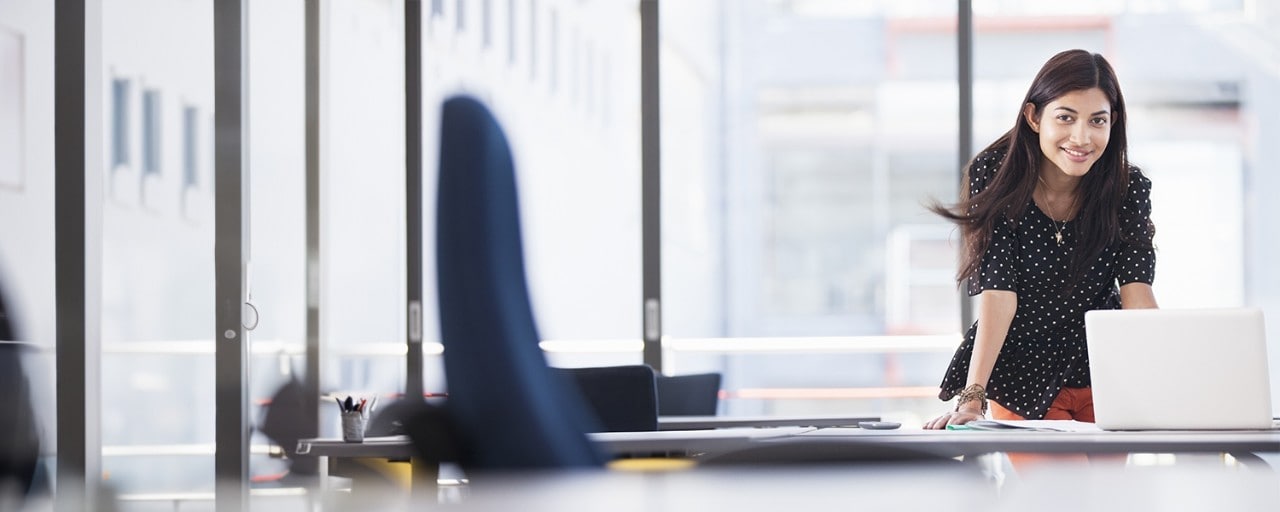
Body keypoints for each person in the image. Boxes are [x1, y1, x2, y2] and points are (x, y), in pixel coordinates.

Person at [924, 49, 1157, 430]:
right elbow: (998, 296)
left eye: (1097, 121)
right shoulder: (997, 174)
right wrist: (973, 398)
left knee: (1108, 491)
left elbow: (1137, 294)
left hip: (1106, 373)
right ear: (1034, 117)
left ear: (1112, 122)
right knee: (1059, 489)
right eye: (1065, 117)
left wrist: (1172, 380)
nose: (1081, 137)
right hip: (1023, 376)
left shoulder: (1128, 187)